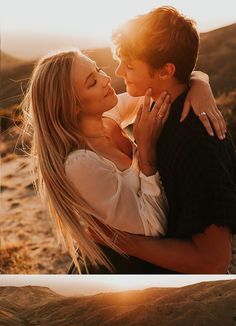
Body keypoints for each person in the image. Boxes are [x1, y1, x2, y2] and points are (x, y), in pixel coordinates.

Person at [22, 43, 226, 274]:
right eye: (92, 82)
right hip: (118, 274)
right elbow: (153, 227)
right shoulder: (82, 164)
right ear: (71, 106)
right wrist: (147, 152)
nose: (106, 78)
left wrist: (200, 84)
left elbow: (163, 84)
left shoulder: (108, 116)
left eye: (97, 69)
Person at [87, 6, 236, 274]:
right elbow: (106, 116)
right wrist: (199, 79)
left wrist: (120, 240)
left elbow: (213, 261)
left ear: (166, 71)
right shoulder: (157, 107)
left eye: (130, 65)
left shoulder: (199, 141)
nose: (119, 72)